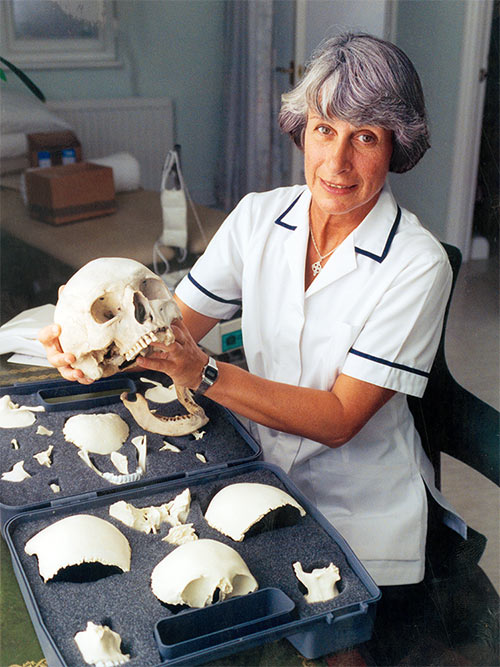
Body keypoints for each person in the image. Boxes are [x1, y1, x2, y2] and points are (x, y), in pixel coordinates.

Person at [40, 33, 460, 594]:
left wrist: (204, 374)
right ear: (303, 132)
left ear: (396, 148)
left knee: (324, 635)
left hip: (359, 503)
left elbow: (339, 419)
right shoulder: (259, 217)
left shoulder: (418, 264)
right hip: (251, 466)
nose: (337, 162)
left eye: (364, 137)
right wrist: (96, 355)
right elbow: (171, 333)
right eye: (324, 130)